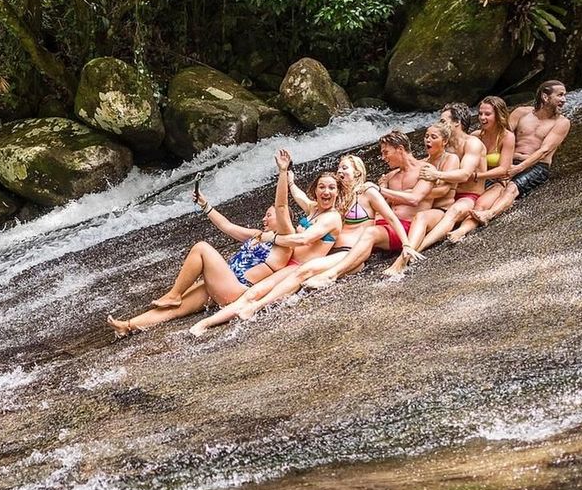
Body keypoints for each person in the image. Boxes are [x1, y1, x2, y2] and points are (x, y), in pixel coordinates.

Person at [107, 159, 343, 336]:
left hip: (236, 288)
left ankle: (174, 293)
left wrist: (282, 174)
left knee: (202, 248)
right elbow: (228, 226)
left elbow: (281, 205)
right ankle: (128, 326)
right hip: (221, 283)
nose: (265, 217)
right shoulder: (258, 235)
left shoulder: (284, 240)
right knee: (176, 310)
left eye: (268, 215)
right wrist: (205, 205)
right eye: (265, 214)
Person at [188, 152, 405, 334]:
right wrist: (287, 177)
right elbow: (287, 203)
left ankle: (235, 314)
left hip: (301, 265)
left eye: (331, 188)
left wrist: (271, 237)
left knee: (254, 296)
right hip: (290, 261)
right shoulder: (313, 209)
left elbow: (304, 238)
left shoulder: (333, 217)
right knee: (251, 293)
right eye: (322, 187)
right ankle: (207, 323)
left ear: (338, 192)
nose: (326, 191)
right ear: (316, 190)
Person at [304, 129, 442, 289]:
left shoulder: (425, 169)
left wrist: (379, 189)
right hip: (386, 227)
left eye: (385, 152)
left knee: (370, 232)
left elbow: (415, 199)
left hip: (407, 226)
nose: (383, 158)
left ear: (400, 149)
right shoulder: (390, 176)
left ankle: (331, 274)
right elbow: (376, 203)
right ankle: (338, 265)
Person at [464, 80, 571, 228]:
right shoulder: (521, 113)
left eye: (564, 95)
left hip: (537, 165)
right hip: (511, 160)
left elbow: (544, 151)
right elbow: (501, 134)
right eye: (560, 95)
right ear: (545, 97)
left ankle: (490, 214)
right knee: (492, 185)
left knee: (512, 187)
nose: (564, 100)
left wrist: (518, 168)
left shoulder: (562, 123)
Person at [383, 116, 474, 275]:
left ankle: (403, 259)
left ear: (444, 141)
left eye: (433, 137)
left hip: (442, 209)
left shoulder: (450, 159)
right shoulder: (424, 162)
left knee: (421, 217)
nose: (428, 140)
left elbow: (443, 191)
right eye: (426, 136)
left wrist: (413, 193)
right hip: (426, 207)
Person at [444, 96, 518, 243]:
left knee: (480, 205)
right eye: (480, 114)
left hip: (496, 180)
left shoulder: (507, 137)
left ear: (498, 115)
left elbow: (504, 169)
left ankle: (461, 231)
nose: (482, 117)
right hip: (478, 181)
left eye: (487, 114)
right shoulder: (476, 136)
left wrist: (478, 175)